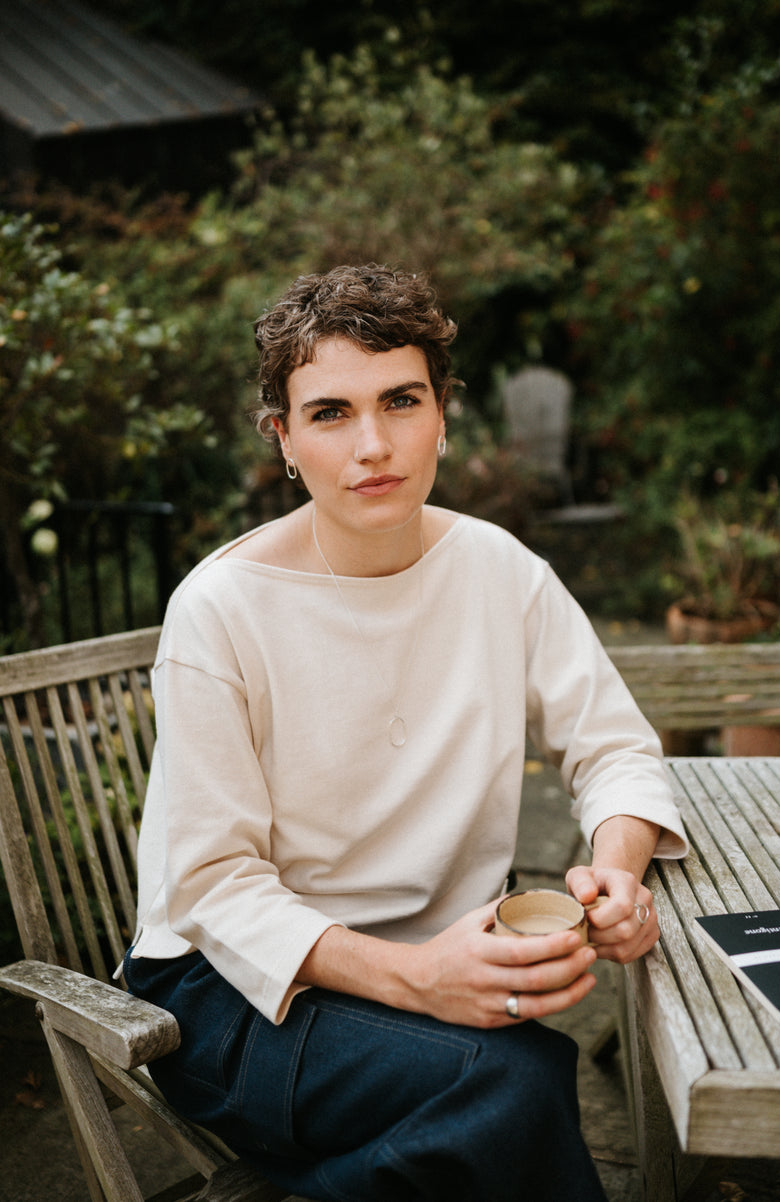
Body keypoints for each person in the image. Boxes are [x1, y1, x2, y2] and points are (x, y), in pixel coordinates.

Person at [124, 263, 688, 1202]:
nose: (374, 445)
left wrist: (617, 873)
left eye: (401, 400)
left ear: (442, 416)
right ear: (285, 440)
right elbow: (214, 887)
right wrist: (418, 979)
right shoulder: (219, 610)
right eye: (331, 412)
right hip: (240, 997)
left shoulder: (499, 570)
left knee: (499, 1102)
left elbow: (617, 747)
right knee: (515, 1080)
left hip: (439, 971)